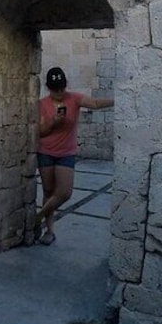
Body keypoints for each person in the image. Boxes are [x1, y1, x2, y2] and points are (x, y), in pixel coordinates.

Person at [34, 67, 113, 245]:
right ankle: (50, 231)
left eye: (62, 87)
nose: (60, 92)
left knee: (64, 193)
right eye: (56, 89)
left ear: (65, 85)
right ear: (49, 87)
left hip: (65, 153)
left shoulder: (75, 99)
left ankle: (37, 217)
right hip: (45, 151)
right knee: (48, 192)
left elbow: (94, 103)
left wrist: (118, 100)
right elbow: (40, 132)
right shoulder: (42, 104)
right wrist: (53, 123)